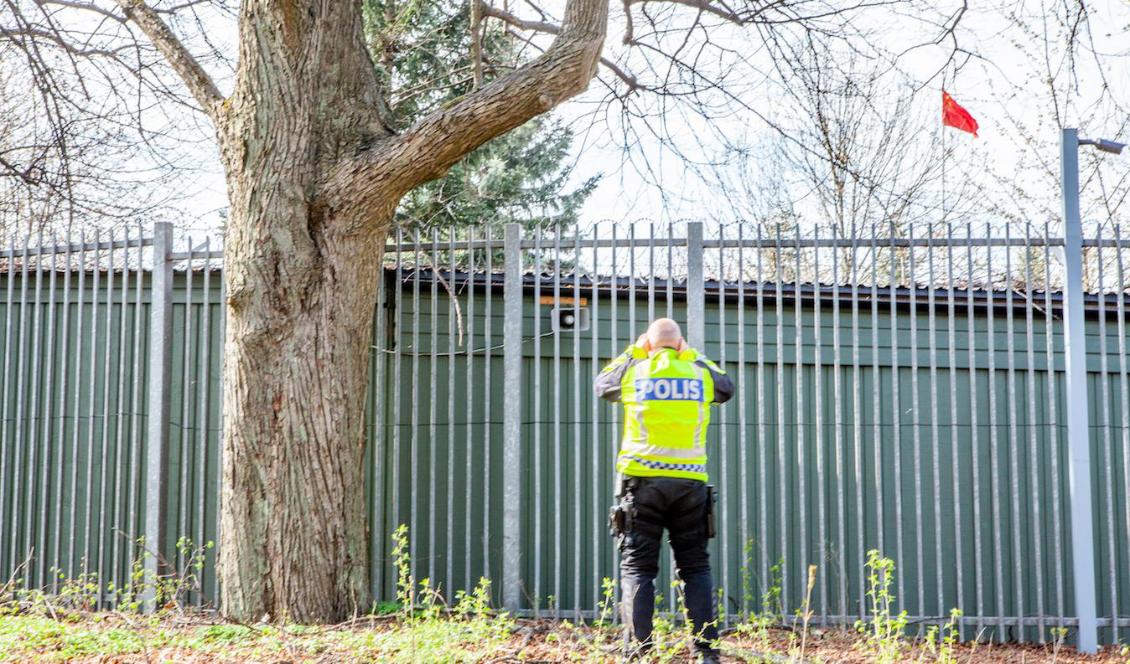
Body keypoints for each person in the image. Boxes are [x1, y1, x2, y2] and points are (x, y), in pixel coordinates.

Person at [594, 318, 734, 663]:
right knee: (695, 567)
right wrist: (691, 354)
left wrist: (634, 350)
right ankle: (706, 653)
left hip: (641, 485)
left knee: (638, 568)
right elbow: (726, 387)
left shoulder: (635, 371)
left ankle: (639, 652)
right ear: (680, 343)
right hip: (689, 484)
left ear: (649, 343)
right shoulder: (697, 373)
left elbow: (603, 385)